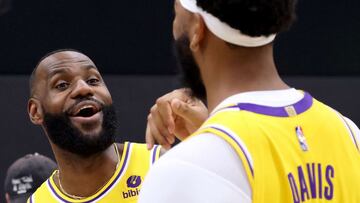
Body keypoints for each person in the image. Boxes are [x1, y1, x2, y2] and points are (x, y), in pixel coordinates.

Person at [139, 0, 360, 202]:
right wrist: (210, 137)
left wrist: (209, 147)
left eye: (176, 13)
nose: (174, 27)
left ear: (197, 29)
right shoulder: (350, 135)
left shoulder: (183, 171)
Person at [26, 49, 161, 203]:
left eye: (93, 80)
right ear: (36, 111)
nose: (84, 88)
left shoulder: (160, 164)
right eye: (62, 85)